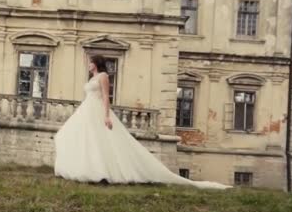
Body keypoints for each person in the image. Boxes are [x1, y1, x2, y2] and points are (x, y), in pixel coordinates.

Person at [54, 55, 231, 190]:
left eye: (91, 61)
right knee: (76, 137)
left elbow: (106, 97)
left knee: (102, 141)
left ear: (97, 63)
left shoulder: (103, 76)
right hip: (87, 109)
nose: (89, 64)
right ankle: (88, 169)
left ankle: (102, 174)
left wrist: (107, 115)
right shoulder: (92, 78)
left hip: (98, 109)